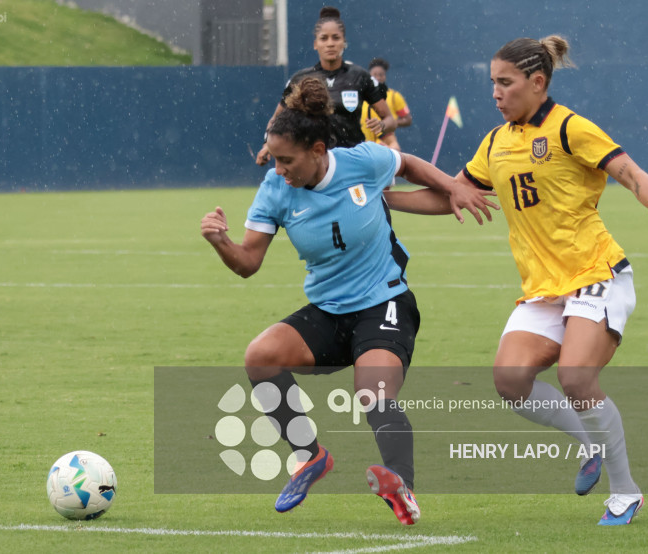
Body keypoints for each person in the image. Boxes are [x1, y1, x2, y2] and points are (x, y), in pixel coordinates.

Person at [392, 35, 648, 526]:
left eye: (504, 82)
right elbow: (454, 195)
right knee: (511, 381)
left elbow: (632, 173)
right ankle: (589, 442)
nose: (495, 92)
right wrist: (385, 198)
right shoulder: (496, 141)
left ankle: (625, 492)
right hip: (544, 288)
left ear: (537, 82)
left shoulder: (570, 127)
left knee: (575, 377)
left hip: (597, 273)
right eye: (492, 82)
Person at [202, 77, 496, 525]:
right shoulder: (276, 189)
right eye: (275, 160)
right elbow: (247, 263)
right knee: (260, 356)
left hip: (385, 302)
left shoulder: (361, 161)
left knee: (373, 391)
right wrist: (221, 242)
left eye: (287, 160)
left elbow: (410, 164)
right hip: (327, 312)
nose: (279, 170)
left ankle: (402, 488)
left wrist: (453, 187)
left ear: (318, 151)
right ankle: (311, 456)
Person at [255, 6, 395, 166]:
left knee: (358, 193)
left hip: (353, 161)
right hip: (315, 164)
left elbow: (390, 119)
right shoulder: (301, 79)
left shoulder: (359, 76)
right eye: (324, 38)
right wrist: (267, 145)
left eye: (336, 38)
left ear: (344, 43)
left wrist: (382, 125)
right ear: (315, 44)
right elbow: (275, 120)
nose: (330, 44)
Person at [360, 57, 413, 151]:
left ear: (385, 76)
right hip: (363, 139)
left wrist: (389, 122)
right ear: (369, 75)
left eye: (381, 74)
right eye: (375, 74)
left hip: (384, 138)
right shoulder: (362, 95)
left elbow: (408, 119)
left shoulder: (394, 96)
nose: (378, 77)